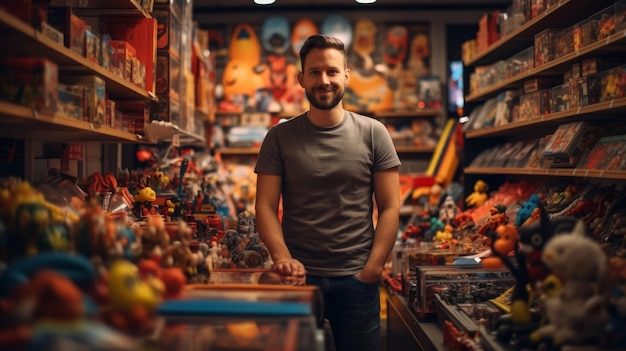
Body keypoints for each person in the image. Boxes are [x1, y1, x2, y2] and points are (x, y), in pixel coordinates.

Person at [254, 34, 401, 351]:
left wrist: (372, 269)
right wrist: (283, 260)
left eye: (332, 71)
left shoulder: (374, 133)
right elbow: (265, 206)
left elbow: (390, 207)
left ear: (346, 76)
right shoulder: (279, 137)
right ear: (301, 79)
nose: (324, 80)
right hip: (297, 278)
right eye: (315, 72)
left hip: (357, 280)